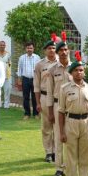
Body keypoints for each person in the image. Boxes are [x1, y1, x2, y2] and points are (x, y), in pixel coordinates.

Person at [59, 51, 88, 176]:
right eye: (76, 70)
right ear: (71, 73)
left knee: (85, 158)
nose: (79, 72)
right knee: (71, 158)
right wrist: (62, 131)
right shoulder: (64, 89)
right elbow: (61, 111)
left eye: (81, 70)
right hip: (71, 123)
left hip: (86, 123)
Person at [46, 38, 72, 176]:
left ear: (69, 51)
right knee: (58, 136)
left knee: (71, 137)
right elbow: (49, 92)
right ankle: (59, 168)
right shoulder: (52, 70)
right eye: (61, 50)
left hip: (72, 106)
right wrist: (50, 111)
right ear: (57, 53)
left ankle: (70, 166)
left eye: (65, 50)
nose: (63, 52)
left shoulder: (75, 67)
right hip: (57, 106)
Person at [34, 34, 59, 162]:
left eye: (53, 48)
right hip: (44, 97)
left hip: (58, 98)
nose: (51, 50)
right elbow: (36, 85)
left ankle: (57, 151)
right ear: (45, 50)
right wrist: (37, 102)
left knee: (58, 126)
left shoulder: (62, 63)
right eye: (49, 48)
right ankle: (49, 151)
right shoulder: (40, 65)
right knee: (46, 125)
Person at [17, 42, 40, 120]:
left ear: (33, 49)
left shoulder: (37, 57)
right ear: (25, 49)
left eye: (31, 48)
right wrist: (19, 80)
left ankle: (36, 113)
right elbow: (19, 69)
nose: (29, 49)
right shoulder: (22, 58)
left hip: (35, 79)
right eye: (28, 48)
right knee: (25, 97)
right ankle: (27, 113)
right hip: (25, 79)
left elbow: (39, 70)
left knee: (35, 97)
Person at [0, 40, 12, 109]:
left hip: (6, 75)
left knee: (7, 90)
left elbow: (9, 63)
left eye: (3, 45)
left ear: (5, 46)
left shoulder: (8, 54)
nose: (2, 46)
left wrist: (8, 71)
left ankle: (6, 105)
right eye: (1, 45)